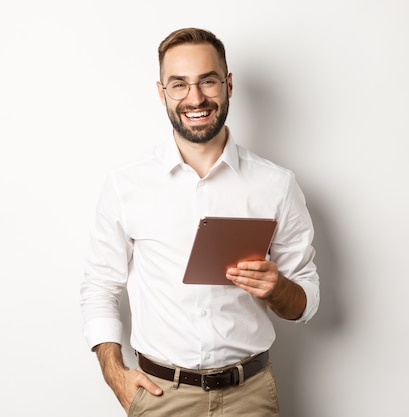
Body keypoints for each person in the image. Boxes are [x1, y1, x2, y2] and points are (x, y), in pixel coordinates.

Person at [81, 27, 320, 416]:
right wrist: (115, 374)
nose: (195, 98)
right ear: (162, 93)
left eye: (207, 81)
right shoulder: (126, 184)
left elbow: (306, 302)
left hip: (251, 397)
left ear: (227, 85)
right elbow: (99, 286)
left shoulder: (276, 185)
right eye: (179, 85)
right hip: (161, 397)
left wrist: (276, 288)